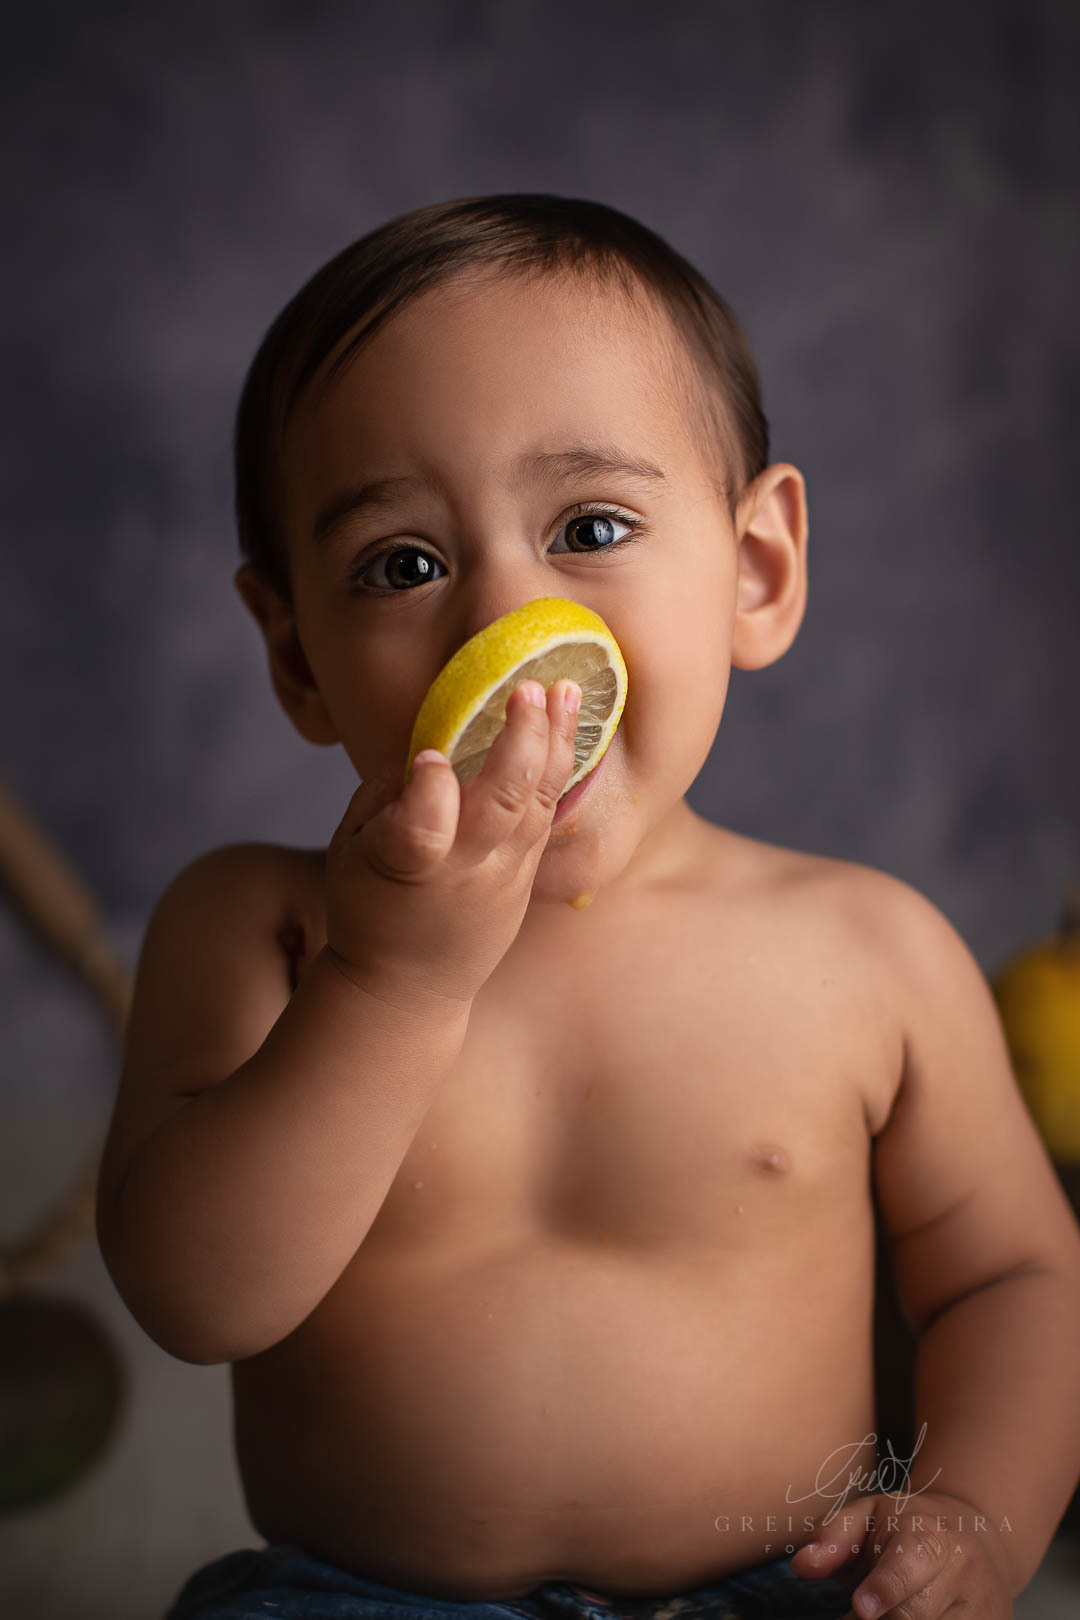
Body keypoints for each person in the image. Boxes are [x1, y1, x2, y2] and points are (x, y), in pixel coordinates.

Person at [95, 194, 1080, 1620]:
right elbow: (197, 1300)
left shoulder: (866, 953)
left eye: (591, 524)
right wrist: (388, 987)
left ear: (758, 571)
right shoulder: (263, 933)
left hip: (790, 1591)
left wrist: (978, 1519)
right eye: (405, 564)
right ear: (298, 654)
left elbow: (1014, 1275)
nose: (506, 619)